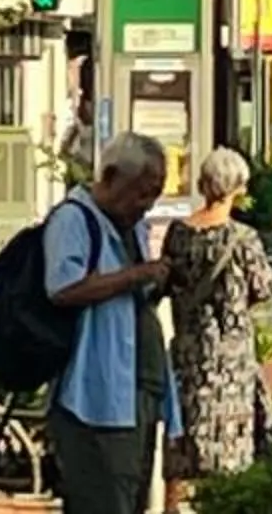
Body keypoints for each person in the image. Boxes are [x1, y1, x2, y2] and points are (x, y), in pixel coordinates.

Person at [44, 130, 181, 514]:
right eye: (140, 192)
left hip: (139, 389)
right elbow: (63, 288)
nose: (146, 204)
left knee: (132, 497)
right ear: (110, 177)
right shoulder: (74, 219)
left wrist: (158, 283)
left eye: (154, 194)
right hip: (94, 396)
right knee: (104, 498)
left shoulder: (133, 225)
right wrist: (136, 275)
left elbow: (131, 296)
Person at [161, 147, 272, 505]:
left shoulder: (178, 234)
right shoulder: (243, 239)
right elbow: (263, 289)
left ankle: (175, 506)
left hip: (189, 353)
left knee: (183, 447)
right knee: (231, 454)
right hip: (231, 360)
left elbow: (166, 283)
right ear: (238, 187)